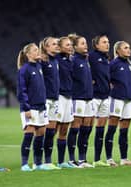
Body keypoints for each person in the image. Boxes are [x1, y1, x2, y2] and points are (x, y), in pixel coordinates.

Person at [17, 43, 49, 171]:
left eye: (38, 50)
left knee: (40, 135)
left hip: (41, 106)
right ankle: (24, 164)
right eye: (35, 50)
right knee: (29, 134)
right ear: (28, 54)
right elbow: (21, 90)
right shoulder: (24, 69)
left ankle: (38, 163)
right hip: (30, 107)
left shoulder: (39, 66)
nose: (38, 52)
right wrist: (26, 108)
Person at [67, 34, 94, 168]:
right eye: (82, 43)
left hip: (89, 98)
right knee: (75, 128)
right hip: (78, 97)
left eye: (86, 43)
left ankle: (83, 159)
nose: (86, 45)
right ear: (75, 47)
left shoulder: (85, 60)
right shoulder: (73, 60)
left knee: (87, 128)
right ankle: (72, 159)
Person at [105, 41, 131, 166]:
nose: (129, 50)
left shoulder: (129, 64)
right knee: (112, 128)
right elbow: (106, 79)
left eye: (129, 47)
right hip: (116, 99)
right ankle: (109, 158)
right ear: (118, 51)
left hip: (128, 99)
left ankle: (124, 158)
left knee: (124, 130)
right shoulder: (113, 64)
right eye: (125, 48)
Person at [88, 34, 111, 167]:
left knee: (101, 128)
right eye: (103, 42)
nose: (107, 44)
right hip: (93, 97)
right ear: (96, 45)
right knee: (87, 129)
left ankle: (97, 159)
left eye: (107, 42)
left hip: (105, 97)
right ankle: (81, 159)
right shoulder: (91, 57)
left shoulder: (106, 58)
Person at [39, 37, 61, 169]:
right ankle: (39, 161)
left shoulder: (54, 60)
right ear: (46, 47)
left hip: (55, 99)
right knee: (42, 131)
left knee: (51, 132)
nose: (56, 46)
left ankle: (48, 161)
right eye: (53, 44)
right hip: (45, 99)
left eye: (57, 44)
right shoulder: (42, 60)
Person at [55, 36, 75, 168]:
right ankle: (44, 161)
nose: (70, 47)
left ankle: (61, 162)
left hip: (69, 97)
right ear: (60, 47)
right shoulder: (56, 60)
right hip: (59, 97)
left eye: (71, 45)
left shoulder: (70, 60)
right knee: (52, 130)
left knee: (64, 131)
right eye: (67, 45)